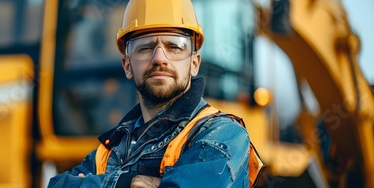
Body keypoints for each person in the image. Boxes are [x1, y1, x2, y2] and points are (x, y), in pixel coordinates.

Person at [48, 0, 262, 187]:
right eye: (145, 47)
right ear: (127, 66)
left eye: (174, 47)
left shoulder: (223, 134)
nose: (159, 58)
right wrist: (127, 183)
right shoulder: (110, 149)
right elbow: (57, 185)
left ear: (194, 64)